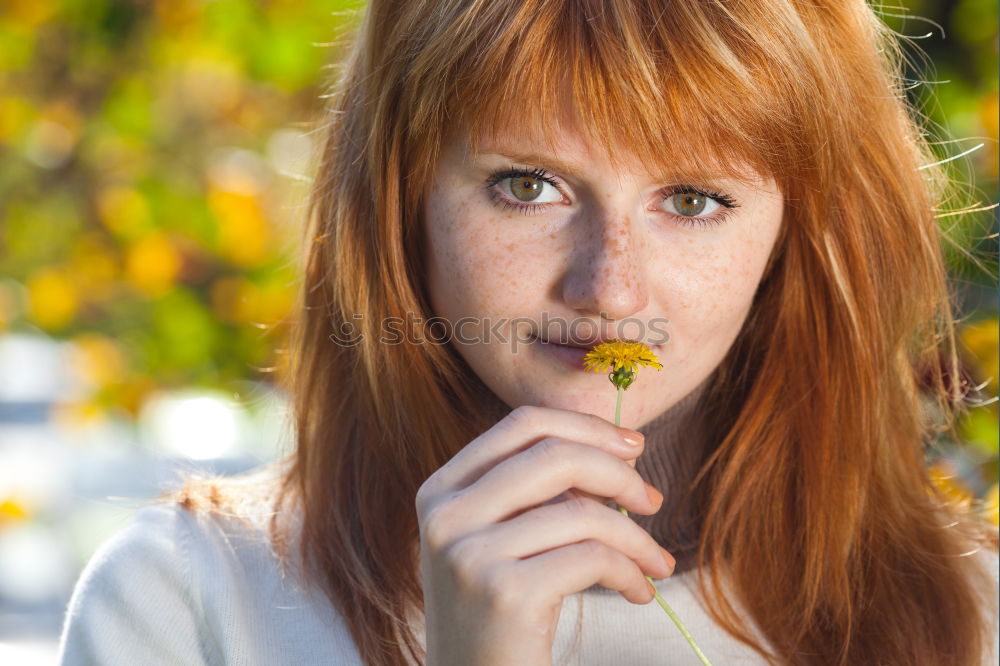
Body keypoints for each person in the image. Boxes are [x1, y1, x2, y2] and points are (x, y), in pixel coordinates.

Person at [57, 1, 999, 665]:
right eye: (528, 185)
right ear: (399, 204)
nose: (610, 289)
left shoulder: (975, 613)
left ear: (799, 232)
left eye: (695, 199)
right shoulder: (187, 605)